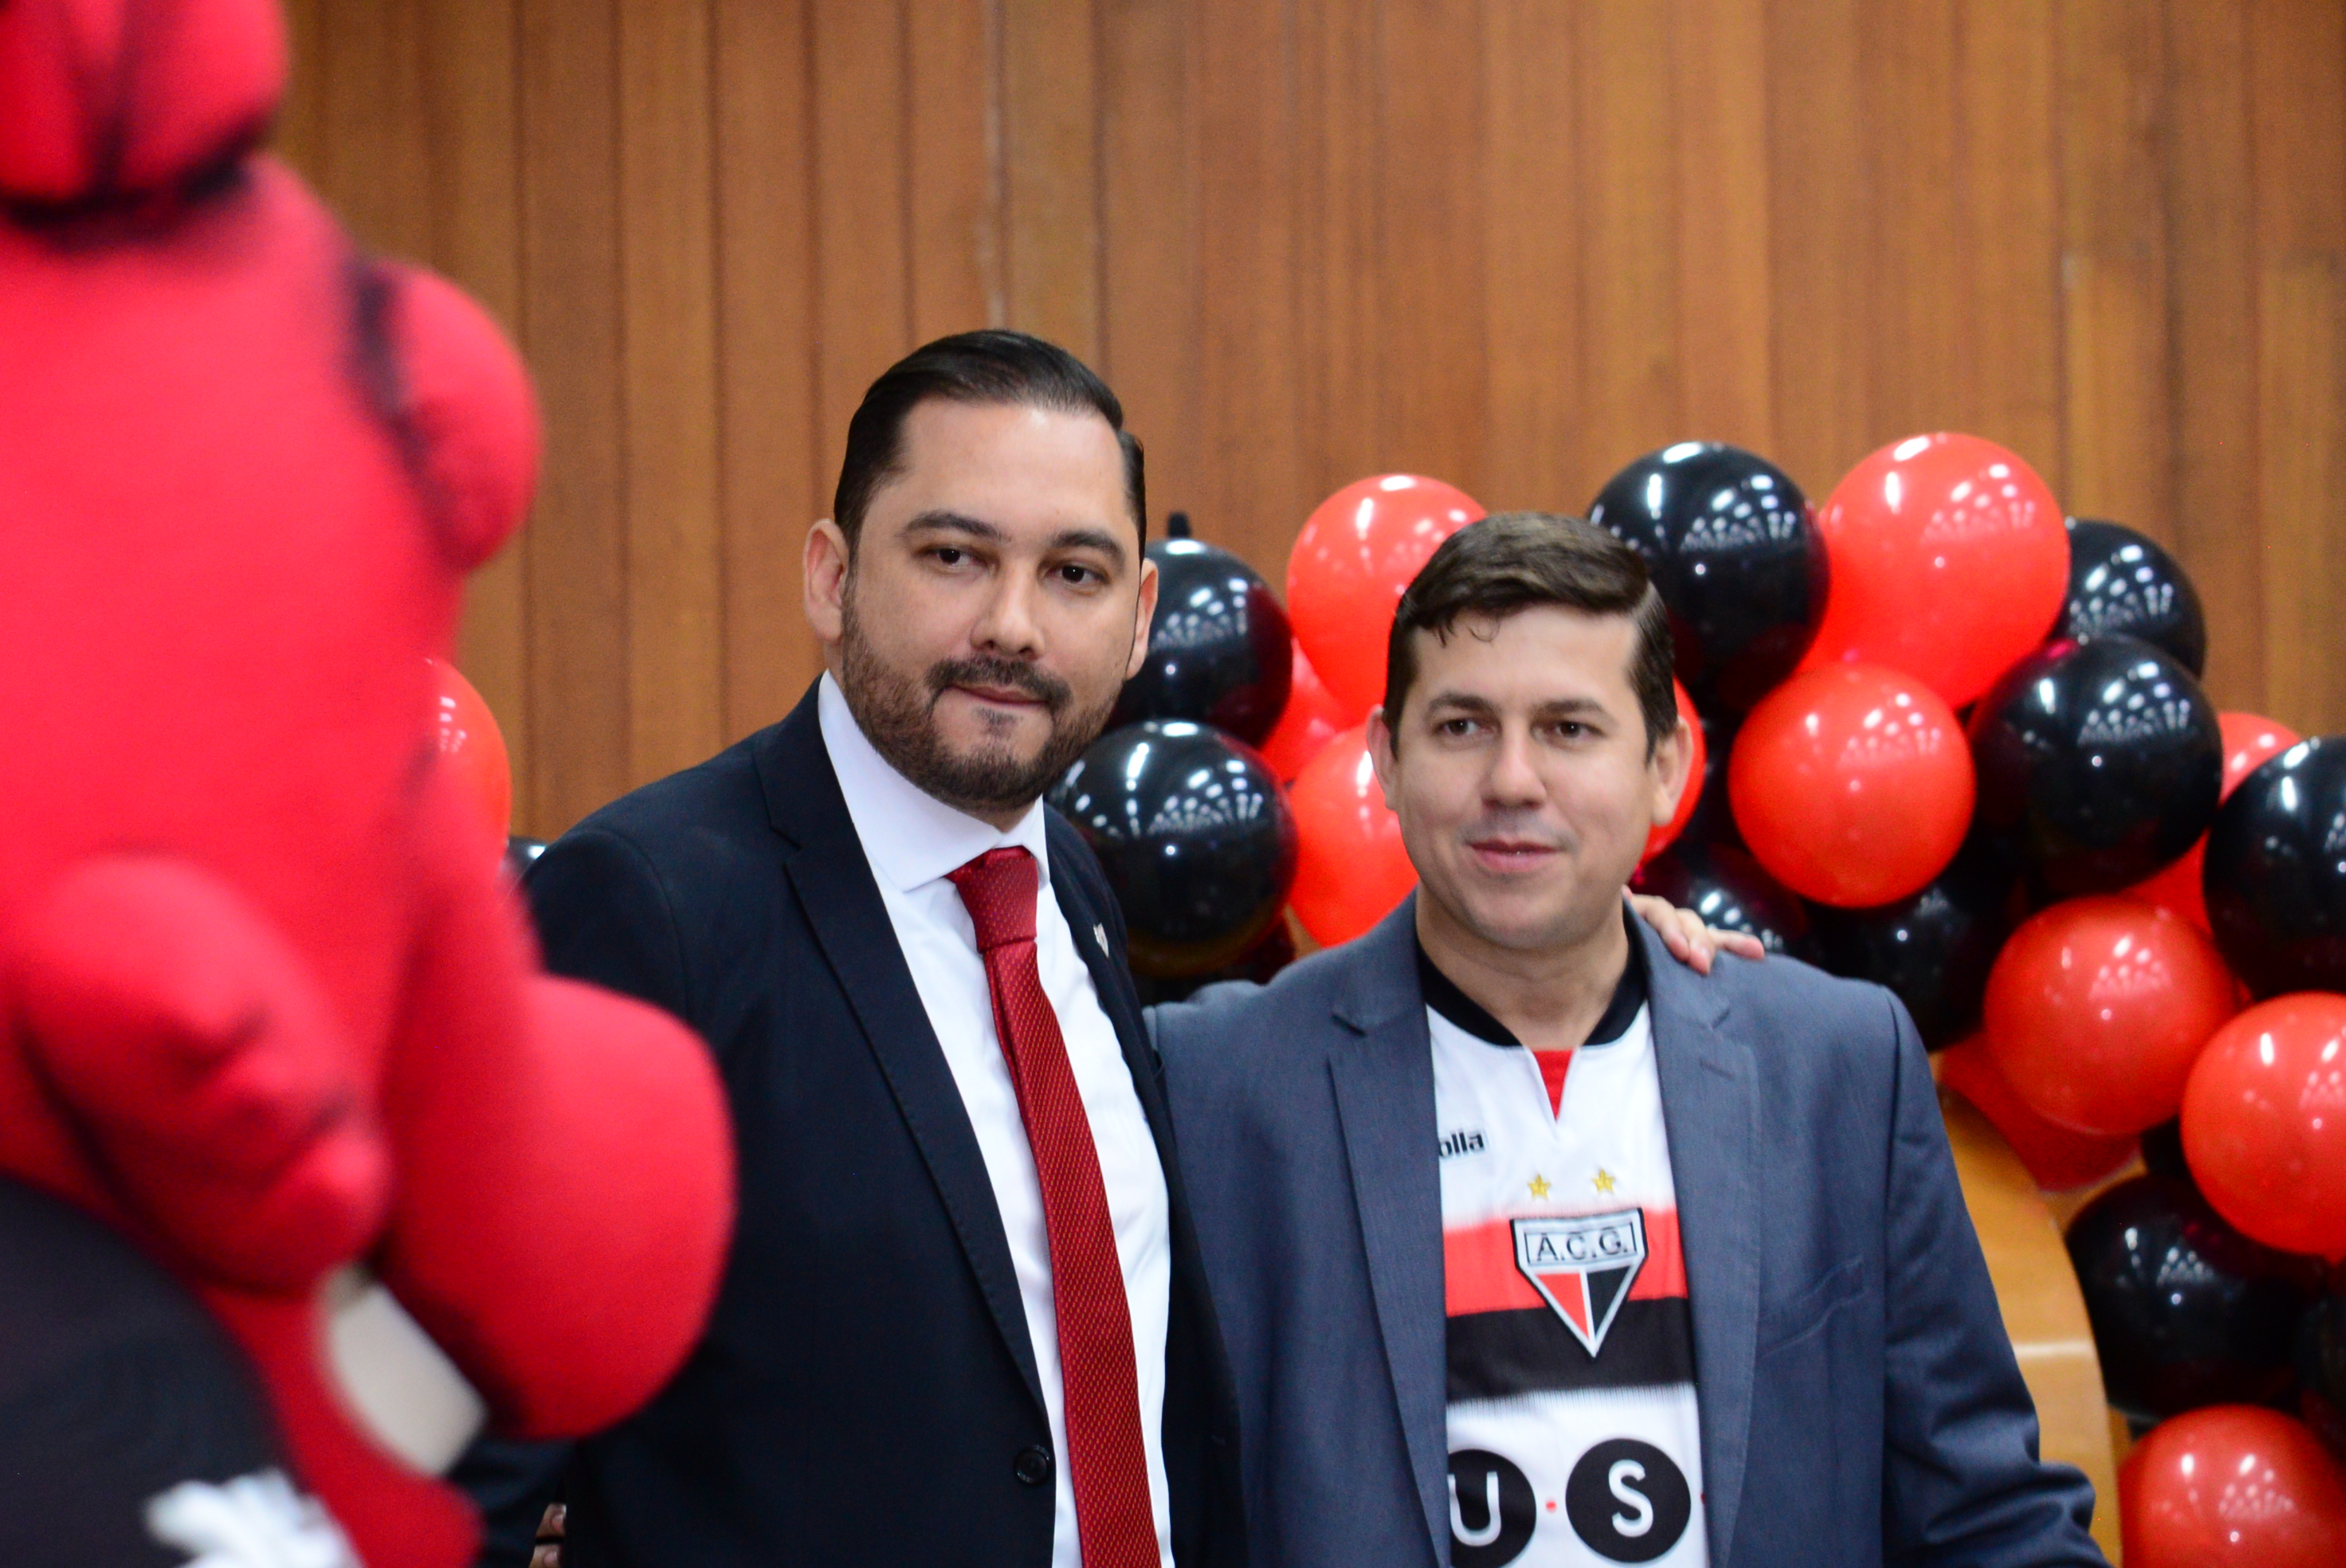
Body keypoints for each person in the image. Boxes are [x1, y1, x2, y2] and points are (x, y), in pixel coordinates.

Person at [464, 334, 1740, 1567]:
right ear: (829, 575)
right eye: (954, 555)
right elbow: (460, 1457)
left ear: (1138, 619)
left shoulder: (1067, 883)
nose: (1014, 624)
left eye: (1074, 573)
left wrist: (1591, 944)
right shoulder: (652, 908)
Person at [1151, 513, 2106, 1568]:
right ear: (1385, 757)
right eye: (1463, 726)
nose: (1513, 781)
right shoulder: (1212, 1084)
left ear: (1666, 765)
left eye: (1570, 729)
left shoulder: (1836, 1065)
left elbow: (1983, 1514)